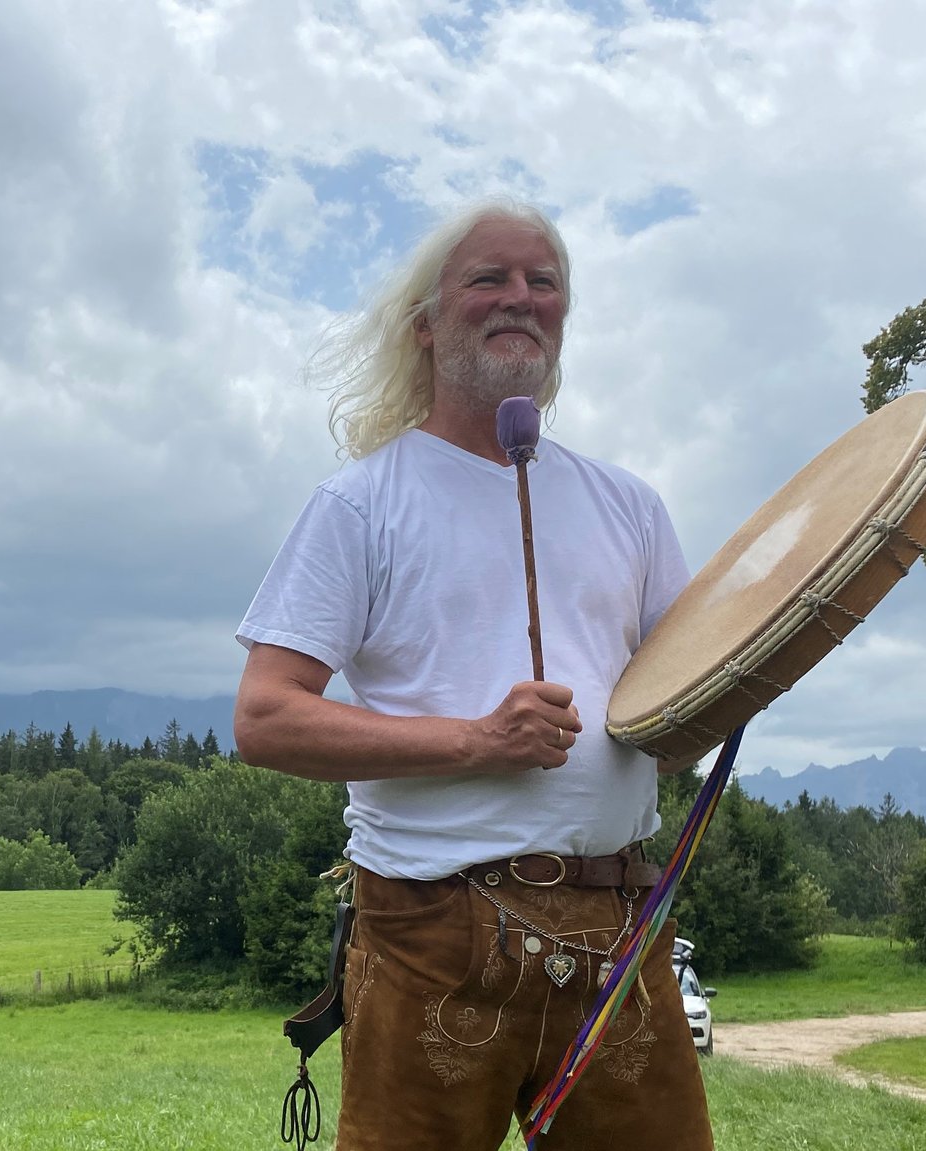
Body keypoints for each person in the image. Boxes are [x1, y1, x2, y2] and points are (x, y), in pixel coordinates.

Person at [234, 201, 710, 1150]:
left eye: (543, 283)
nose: (520, 299)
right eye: (488, 279)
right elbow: (266, 717)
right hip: (431, 932)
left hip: (617, 924)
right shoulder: (362, 502)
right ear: (426, 321)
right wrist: (479, 741)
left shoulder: (632, 507)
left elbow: (686, 710)